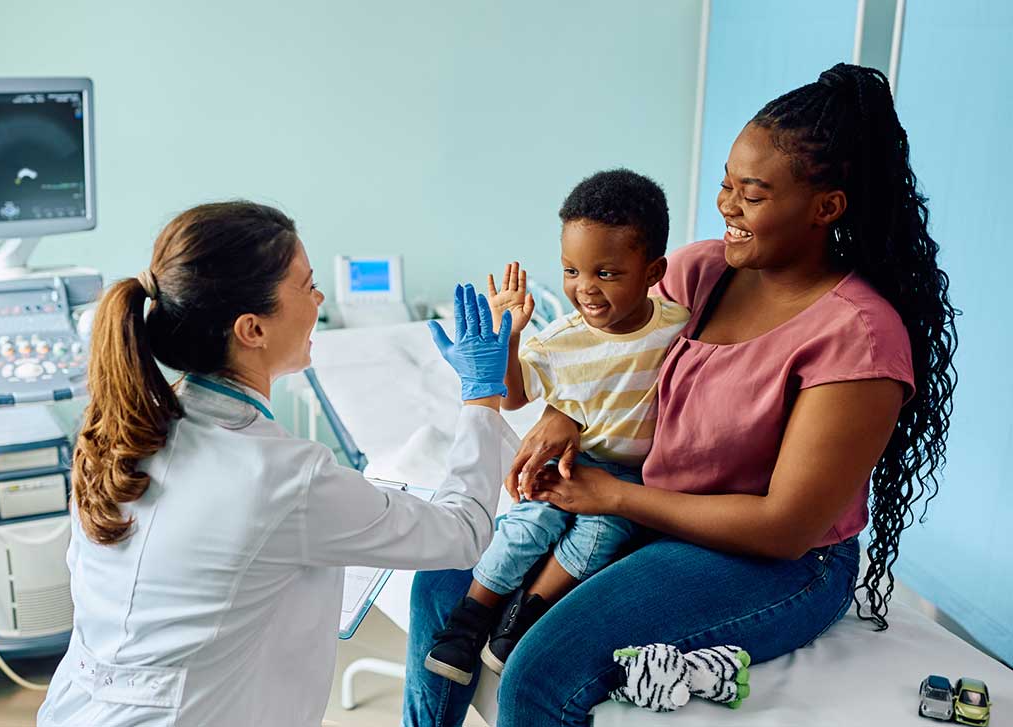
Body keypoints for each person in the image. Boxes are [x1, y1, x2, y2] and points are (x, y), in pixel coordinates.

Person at [403, 63, 957, 726]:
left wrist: (612, 496)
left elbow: (784, 528)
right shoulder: (703, 270)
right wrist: (560, 415)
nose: (725, 205)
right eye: (725, 183)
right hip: (647, 508)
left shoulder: (858, 337)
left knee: (539, 674)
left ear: (825, 207)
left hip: (772, 559)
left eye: (749, 194)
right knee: (441, 578)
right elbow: (614, 354)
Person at [36, 201, 519, 727]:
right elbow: (464, 533)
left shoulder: (124, 431)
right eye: (308, 286)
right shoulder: (282, 475)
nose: (320, 299)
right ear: (252, 330)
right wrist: (480, 396)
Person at [423, 170, 692, 685]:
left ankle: (521, 619)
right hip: (575, 460)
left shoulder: (677, 326)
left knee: (598, 538)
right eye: (571, 270)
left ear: (653, 270)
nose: (584, 289)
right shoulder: (563, 339)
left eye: (607, 273)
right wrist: (508, 342)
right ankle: (469, 620)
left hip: (631, 478)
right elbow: (516, 394)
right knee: (529, 525)